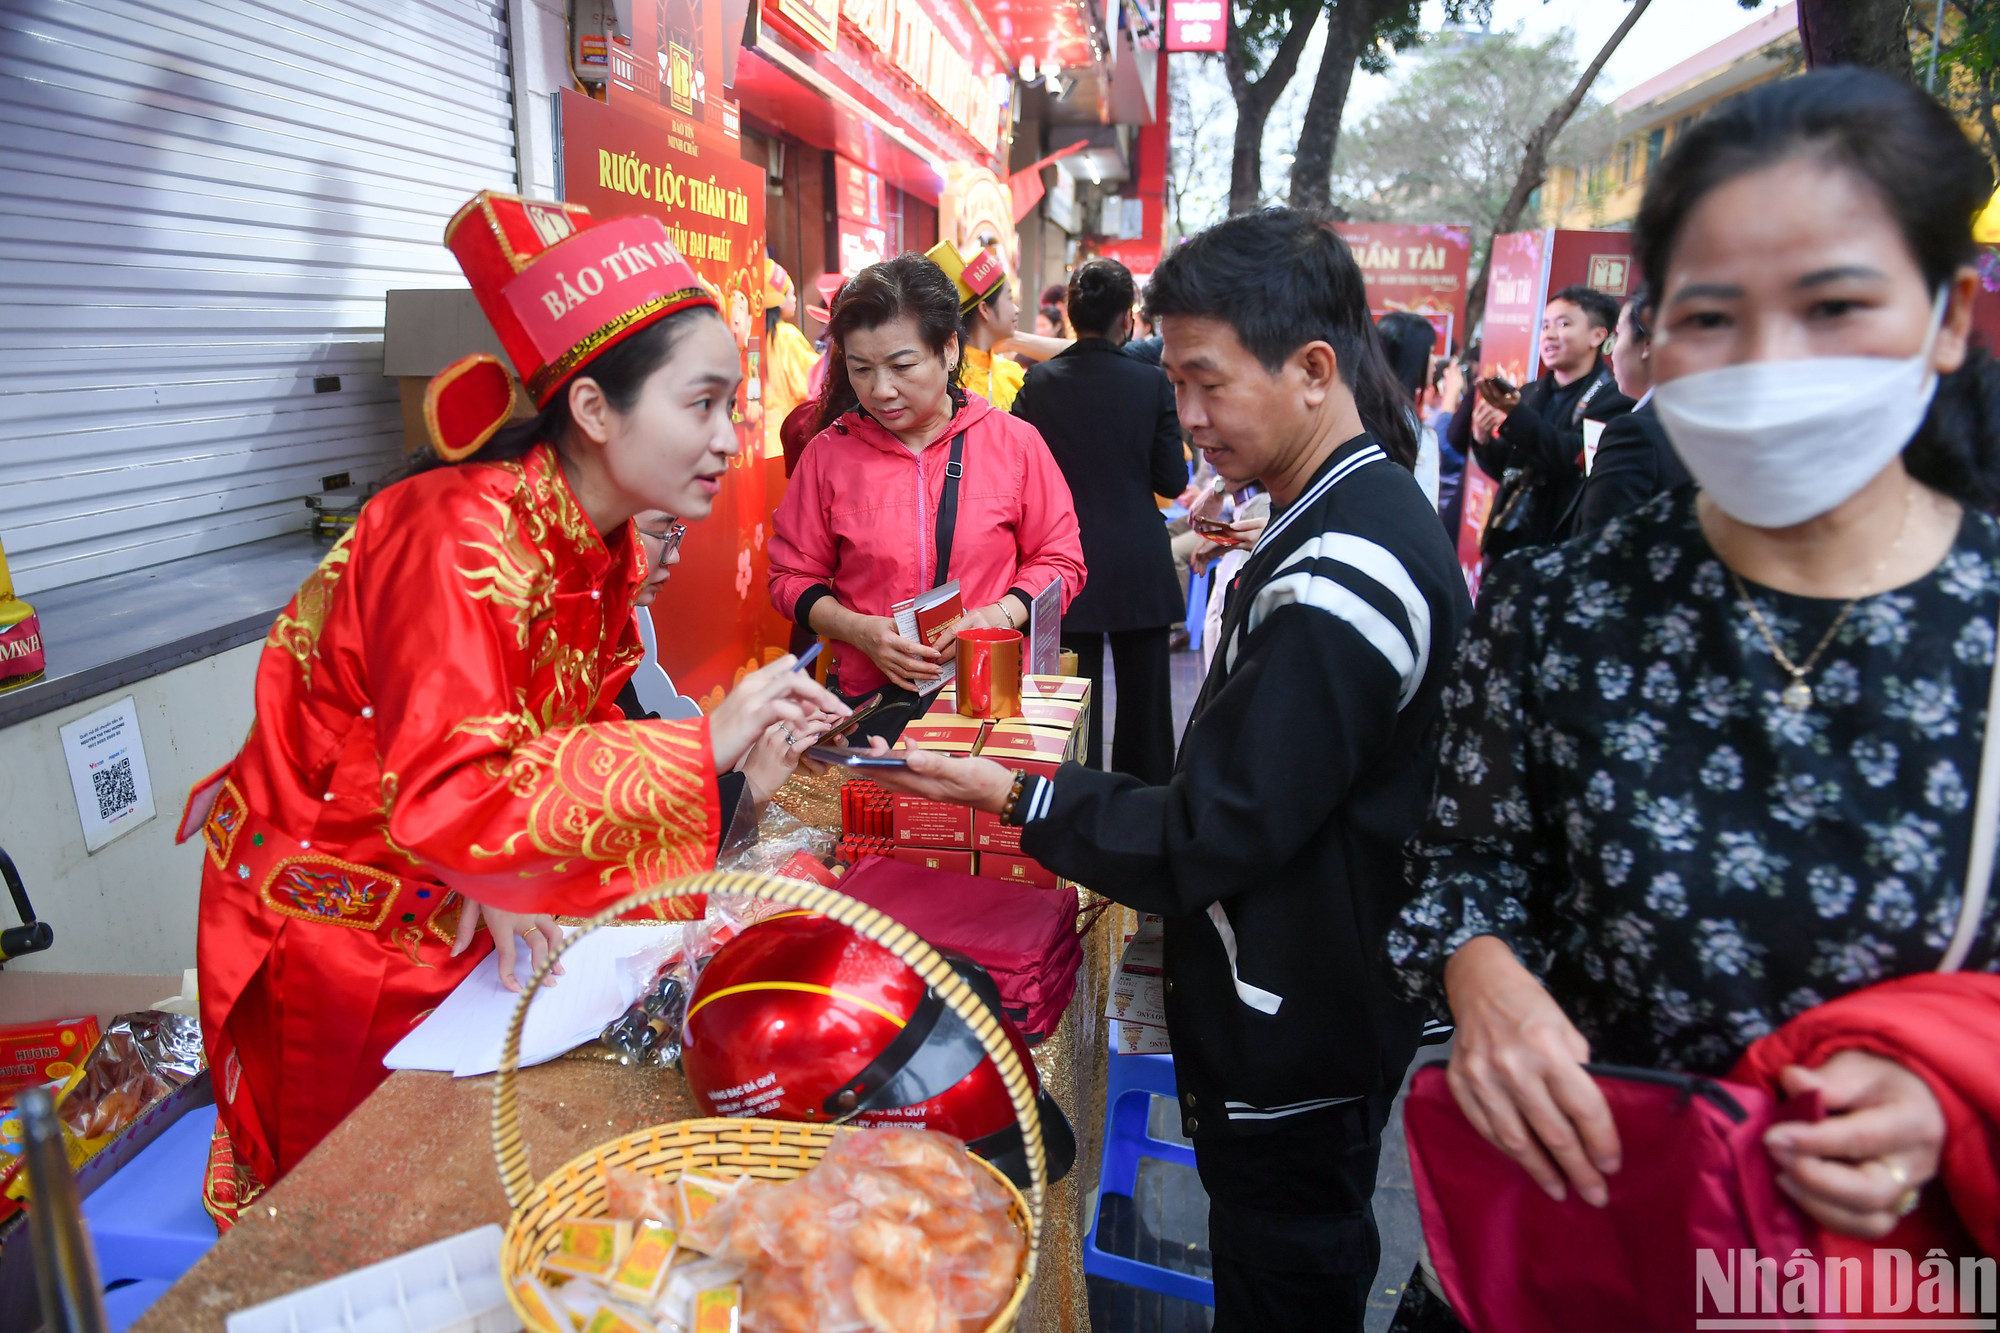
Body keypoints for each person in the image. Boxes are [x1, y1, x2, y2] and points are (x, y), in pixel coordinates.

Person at [1389, 70, 2000, 1328]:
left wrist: (1954, 1097)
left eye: (1834, 306)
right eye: (1712, 315)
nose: (1770, 364)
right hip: (1576, 1230)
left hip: (1869, 1269)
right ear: (1655, 339)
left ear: (1946, 319)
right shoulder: (1559, 600)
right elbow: (1462, 864)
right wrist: (1482, 980)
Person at [854, 209, 1472, 1332]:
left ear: (1313, 370)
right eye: (1174, 381)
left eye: (1205, 383)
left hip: (1301, 1016)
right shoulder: (1343, 509)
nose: (1184, 416)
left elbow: (1211, 830)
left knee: (1287, 1269)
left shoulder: (1344, 573)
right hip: (1307, 987)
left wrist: (1017, 793)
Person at [181, 192, 844, 1222]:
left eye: (732, 405)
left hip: (446, 893)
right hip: (342, 924)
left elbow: (551, 731)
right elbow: (454, 784)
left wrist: (505, 869)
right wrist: (701, 745)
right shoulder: (459, 537)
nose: (727, 438)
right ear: (594, 410)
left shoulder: (590, 541)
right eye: (702, 404)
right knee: (363, 1213)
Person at [767, 253, 1085, 737]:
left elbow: (1061, 560)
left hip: (988, 701)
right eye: (861, 368)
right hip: (870, 706)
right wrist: (859, 631)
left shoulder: (1016, 444)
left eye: (902, 365)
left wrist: (995, 617)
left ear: (949, 349)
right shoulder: (827, 455)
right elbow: (790, 577)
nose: (881, 390)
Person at [1012, 257, 1187, 783]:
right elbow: (1172, 479)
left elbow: (1018, 477)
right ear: (1125, 319)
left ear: (1070, 315)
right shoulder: (1151, 383)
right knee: (1147, 710)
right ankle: (1145, 807)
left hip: (1064, 562)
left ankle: (1075, 805)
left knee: (1071, 707)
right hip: (1138, 559)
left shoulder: (1039, 382)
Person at [1471, 284, 1632, 559]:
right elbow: (1506, 468)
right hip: (1509, 540)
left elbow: (1572, 457)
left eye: (1563, 324)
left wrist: (1517, 415)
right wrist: (1482, 439)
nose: (1550, 335)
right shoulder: (1529, 392)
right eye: (1545, 326)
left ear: (1598, 335)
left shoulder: (1613, 398)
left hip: (1562, 544)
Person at [1570, 286, 1691, 536]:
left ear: (1647, 344)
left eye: (1618, 334)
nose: (1613, 350)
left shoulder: (1635, 433)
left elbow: (1601, 544)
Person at [929, 240, 1025, 411]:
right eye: (1010, 298)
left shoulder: (1014, 374)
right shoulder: (950, 380)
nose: (1016, 310)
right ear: (985, 309)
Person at [1376, 312, 1441, 509]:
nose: (1435, 361)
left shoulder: (1384, 413)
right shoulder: (1397, 423)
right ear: (1413, 357)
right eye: (1431, 352)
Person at [762, 260, 818, 462]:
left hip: (758, 441)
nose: (794, 299)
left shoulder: (752, 337)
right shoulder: (787, 335)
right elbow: (815, 380)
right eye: (790, 294)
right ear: (777, 300)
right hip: (785, 440)